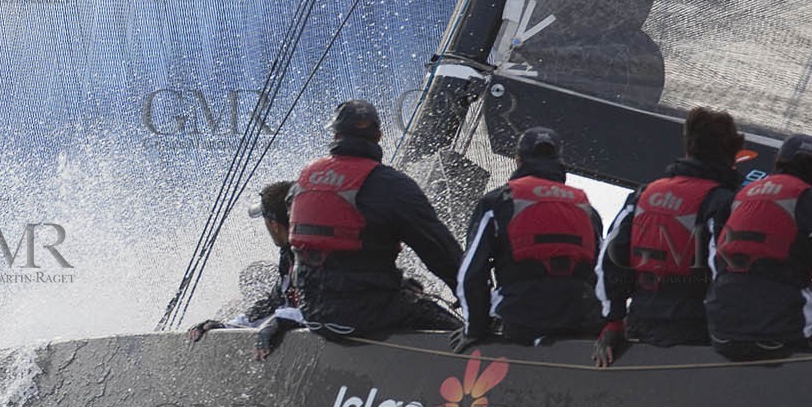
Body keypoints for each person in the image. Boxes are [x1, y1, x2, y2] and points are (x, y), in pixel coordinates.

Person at [265, 99, 461, 356]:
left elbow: (305, 254)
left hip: (313, 314)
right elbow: (440, 253)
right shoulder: (392, 185)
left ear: (335, 135)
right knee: (451, 324)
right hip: (364, 316)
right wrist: (476, 298)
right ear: (379, 136)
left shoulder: (302, 183)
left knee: (403, 289)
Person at [594, 107, 744, 366]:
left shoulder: (643, 194)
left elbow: (609, 261)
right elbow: (726, 275)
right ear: (733, 155)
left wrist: (613, 321)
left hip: (640, 327)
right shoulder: (723, 203)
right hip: (697, 337)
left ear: (688, 148)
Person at [454, 127, 603, 351]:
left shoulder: (499, 200)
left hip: (520, 319)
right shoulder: (586, 207)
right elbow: (604, 272)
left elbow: (471, 273)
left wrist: (474, 329)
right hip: (582, 317)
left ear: (518, 160)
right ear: (560, 162)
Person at [705, 133, 812, 360]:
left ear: (778, 160)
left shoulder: (740, 195)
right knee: (810, 328)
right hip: (782, 333)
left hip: (721, 328)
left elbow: (714, 261)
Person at [189, 181, 295, 341]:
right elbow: (273, 303)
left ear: (274, 225)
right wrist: (227, 327)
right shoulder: (289, 255)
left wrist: (282, 322)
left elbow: (327, 308)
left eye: (264, 219)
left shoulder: (314, 255)